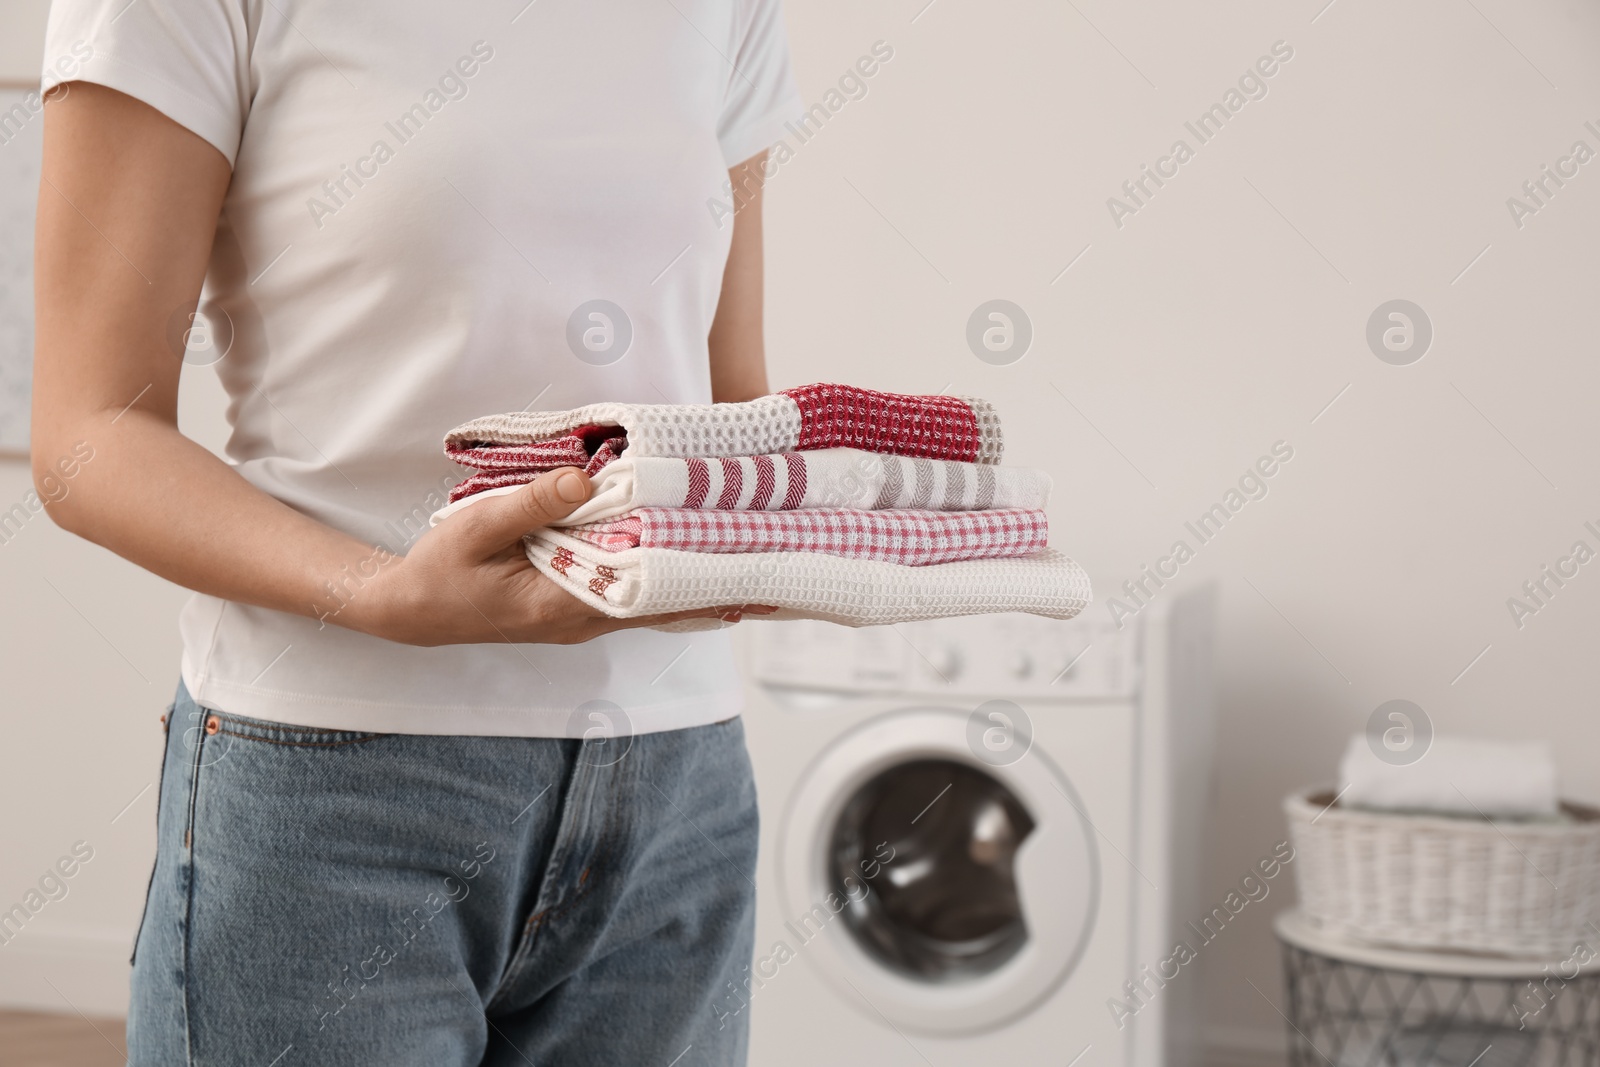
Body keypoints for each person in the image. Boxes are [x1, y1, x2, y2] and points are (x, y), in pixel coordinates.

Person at [31, 2, 801, 1063]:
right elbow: (86, 437)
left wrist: (838, 527)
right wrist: (380, 591)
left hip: (674, 788)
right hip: (334, 792)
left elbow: (728, 405)